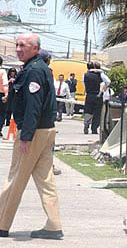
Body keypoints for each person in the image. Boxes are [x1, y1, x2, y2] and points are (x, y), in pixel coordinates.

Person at [0, 33, 63, 239]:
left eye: (23, 45)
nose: (18, 49)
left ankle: (2, 223)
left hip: (33, 132)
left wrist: (26, 135)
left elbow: (33, 106)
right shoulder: (39, 68)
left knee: (16, 177)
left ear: (35, 48)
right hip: (45, 130)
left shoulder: (34, 71)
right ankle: (54, 226)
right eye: (17, 45)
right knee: (46, 180)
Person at [83, 62, 103, 134]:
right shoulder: (100, 75)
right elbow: (108, 81)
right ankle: (94, 129)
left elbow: (84, 84)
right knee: (97, 113)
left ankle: (86, 124)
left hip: (89, 95)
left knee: (88, 111)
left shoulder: (85, 75)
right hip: (98, 95)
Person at [0, 57, 8, 137]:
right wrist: (6, 94)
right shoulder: (2, 71)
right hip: (1, 93)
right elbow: (5, 83)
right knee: (2, 113)